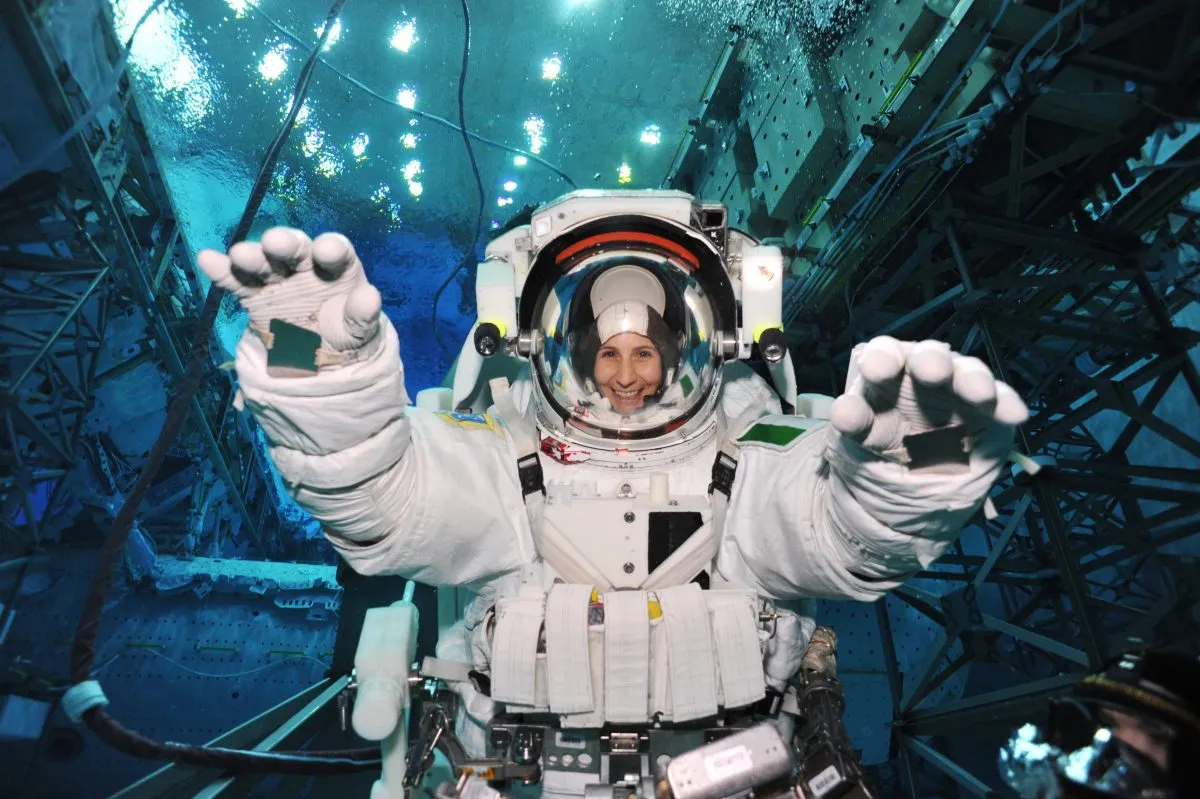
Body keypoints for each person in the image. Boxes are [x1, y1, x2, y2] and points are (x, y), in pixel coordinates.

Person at [198, 190, 1029, 798]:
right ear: (568, 353)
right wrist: (323, 376)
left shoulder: (751, 451)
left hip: (736, 777)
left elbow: (829, 529)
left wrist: (909, 472)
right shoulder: (507, 456)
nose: (627, 374)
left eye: (646, 352)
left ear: (686, 349)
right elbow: (391, 500)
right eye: (608, 353)